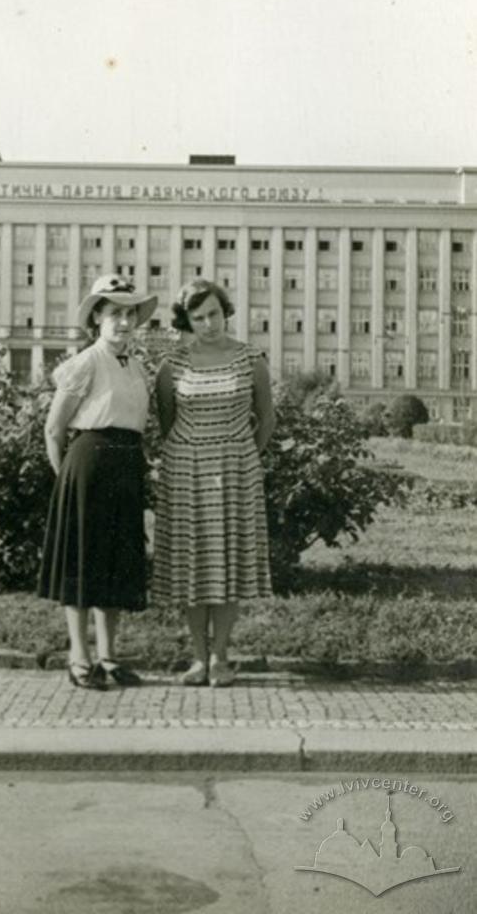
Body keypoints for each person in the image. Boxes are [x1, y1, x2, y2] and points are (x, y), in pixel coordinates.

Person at [38, 273, 158, 690]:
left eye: (129, 314)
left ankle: (109, 658)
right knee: (83, 562)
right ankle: (79, 658)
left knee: (116, 564)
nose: (123, 322)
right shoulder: (86, 362)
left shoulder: (136, 366)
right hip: (89, 464)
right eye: (114, 314)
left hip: (126, 466)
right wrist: (67, 483)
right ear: (96, 320)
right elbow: (54, 430)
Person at [153, 278, 275, 687]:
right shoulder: (173, 364)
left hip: (237, 470)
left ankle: (222, 657)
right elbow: (167, 422)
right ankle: (198, 659)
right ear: (186, 320)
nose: (209, 324)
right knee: (193, 566)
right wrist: (192, 453)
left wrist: (242, 454)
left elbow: (267, 419)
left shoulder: (251, 359)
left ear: (226, 313)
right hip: (185, 471)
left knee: (228, 564)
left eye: (215, 314)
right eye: (199, 317)